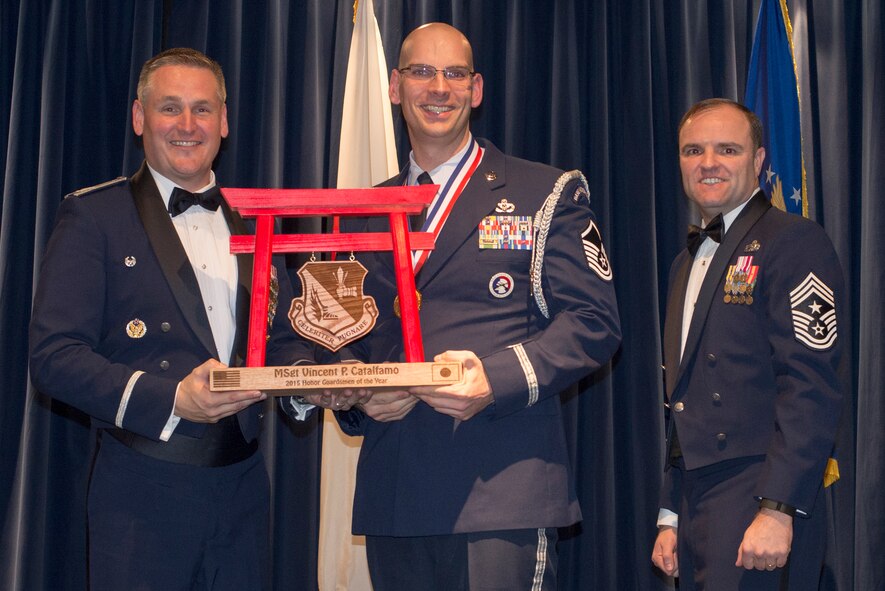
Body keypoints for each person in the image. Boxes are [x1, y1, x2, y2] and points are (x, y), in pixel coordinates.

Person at [28, 47, 343, 590]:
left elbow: (279, 334)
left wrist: (306, 382)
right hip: (141, 492)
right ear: (139, 117)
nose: (187, 125)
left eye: (202, 109)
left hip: (244, 488)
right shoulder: (95, 215)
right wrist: (172, 398)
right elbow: (53, 358)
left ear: (224, 121)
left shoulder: (254, 219)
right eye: (170, 107)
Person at [332, 23, 621, 590]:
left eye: (454, 73)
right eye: (421, 72)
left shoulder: (545, 192)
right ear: (395, 86)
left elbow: (595, 323)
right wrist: (359, 394)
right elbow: (343, 335)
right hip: (395, 496)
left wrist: (493, 379)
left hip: (501, 492)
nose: (438, 88)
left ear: (477, 88)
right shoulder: (363, 211)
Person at [650, 98, 844, 589]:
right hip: (696, 496)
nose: (708, 163)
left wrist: (778, 507)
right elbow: (683, 396)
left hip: (760, 489)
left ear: (758, 160)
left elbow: (810, 385)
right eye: (693, 150)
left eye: (727, 149)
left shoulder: (794, 242)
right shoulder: (683, 264)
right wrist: (671, 511)